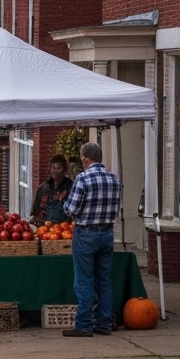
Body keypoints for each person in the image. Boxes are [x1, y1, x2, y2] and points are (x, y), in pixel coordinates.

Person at [62, 142, 121, 337]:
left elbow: (70, 209)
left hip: (86, 233)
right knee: (104, 279)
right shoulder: (114, 179)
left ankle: (84, 324)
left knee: (84, 280)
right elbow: (116, 208)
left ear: (86, 158)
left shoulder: (83, 178)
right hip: (107, 233)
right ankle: (104, 322)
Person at [32, 154, 75, 223]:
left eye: (58, 168)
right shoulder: (43, 188)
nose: (54, 171)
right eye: (52, 168)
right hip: (43, 228)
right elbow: (35, 210)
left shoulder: (70, 187)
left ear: (64, 170)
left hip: (64, 229)